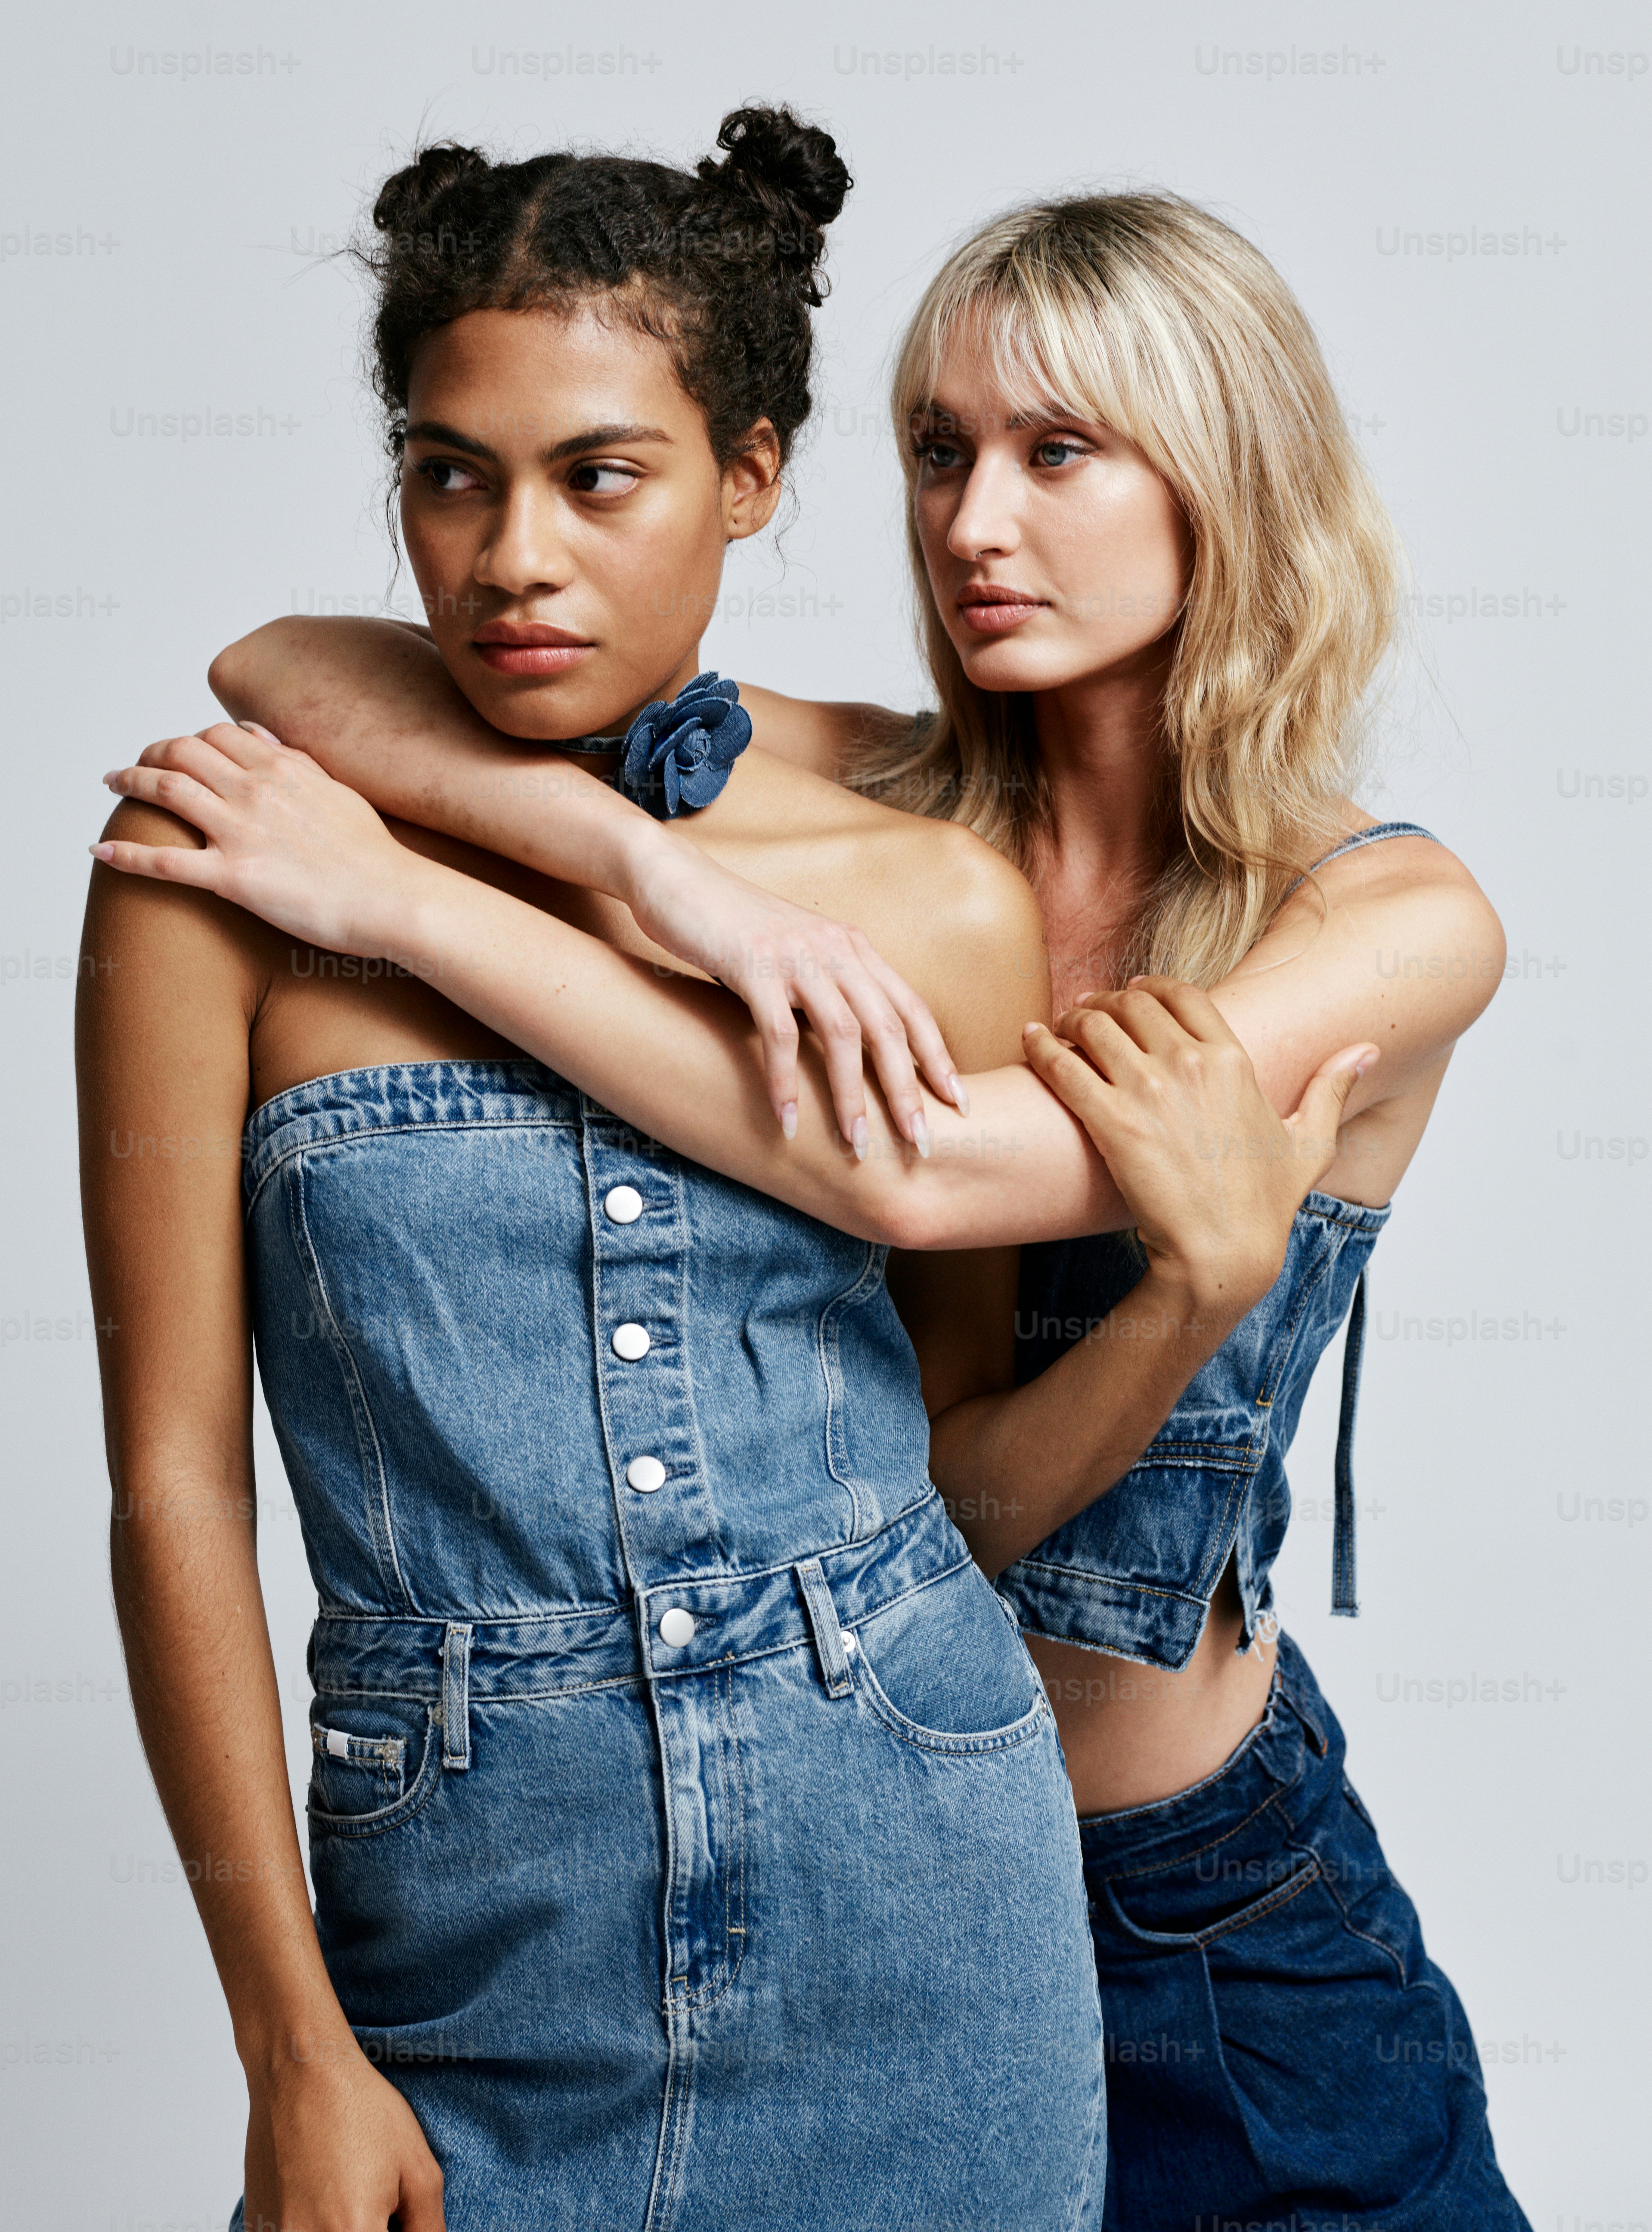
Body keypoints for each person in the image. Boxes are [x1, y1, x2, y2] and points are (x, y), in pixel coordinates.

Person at [194, 186, 1525, 2226]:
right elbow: (297, 666)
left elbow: (908, 1163)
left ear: (1225, 475)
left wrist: (400, 898)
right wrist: (642, 867)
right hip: (842, 1886)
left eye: (1057, 451)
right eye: (939, 450)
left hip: (1200, 1917)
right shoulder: (883, 817)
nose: (974, 521)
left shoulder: (1384, 917)